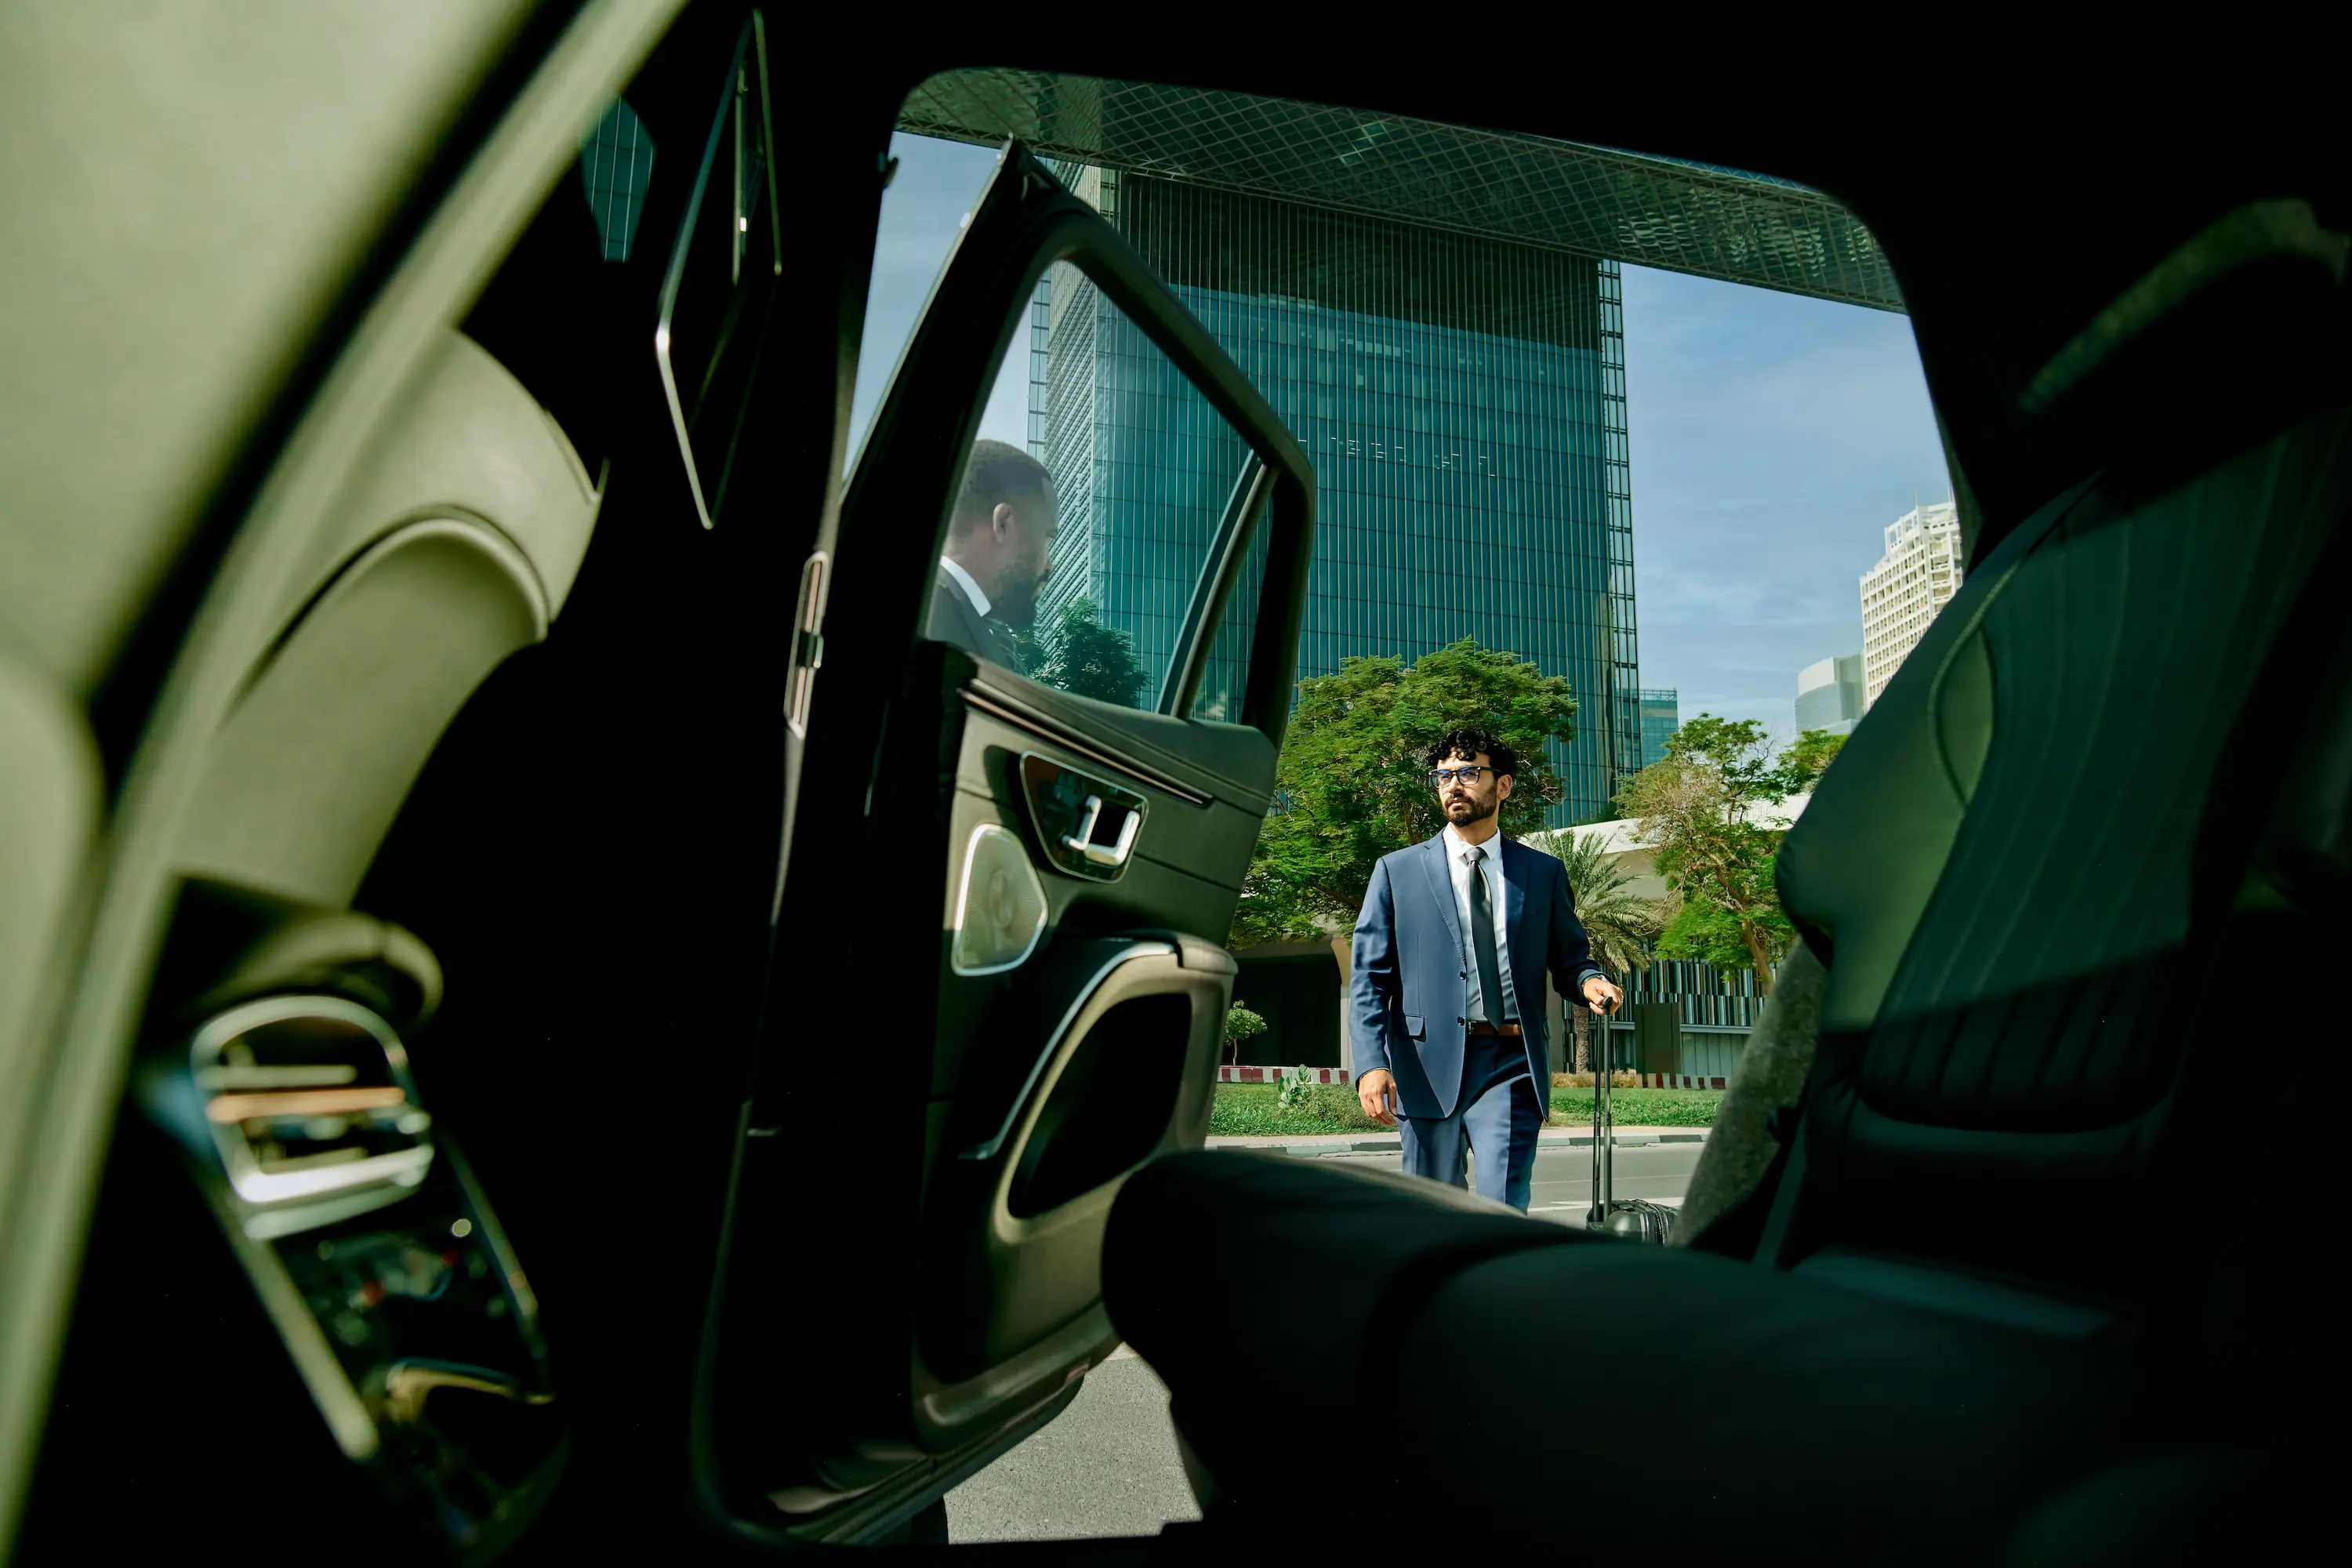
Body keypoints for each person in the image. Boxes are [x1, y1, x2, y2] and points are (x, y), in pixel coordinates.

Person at [1348, 727, 1624, 1211]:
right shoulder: (1396, 871)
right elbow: (1370, 980)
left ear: (1502, 786)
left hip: (1511, 1061)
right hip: (1424, 1063)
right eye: (1444, 776)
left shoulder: (1542, 873)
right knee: (1432, 1212)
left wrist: (1590, 982)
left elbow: (1569, 959)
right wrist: (1372, 1064)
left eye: (1469, 772)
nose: (1454, 784)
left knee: (1503, 1208)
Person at [928, 438, 1058, 672]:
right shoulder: (930, 616)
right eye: (1047, 536)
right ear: (1003, 524)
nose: (1049, 565)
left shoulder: (968, 617)